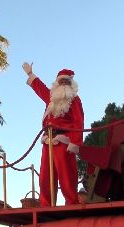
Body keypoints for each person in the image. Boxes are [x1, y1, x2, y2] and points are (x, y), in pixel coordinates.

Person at [22, 62, 84, 206]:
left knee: (66, 175)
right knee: (45, 175)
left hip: (64, 141)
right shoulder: (51, 98)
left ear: (71, 83)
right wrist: (30, 74)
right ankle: (45, 204)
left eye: (66, 82)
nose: (63, 84)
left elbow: (78, 122)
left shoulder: (74, 100)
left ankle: (71, 202)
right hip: (48, 140)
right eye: (61, 81)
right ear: (56, 83)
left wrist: (74, 143)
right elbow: (40, 88)